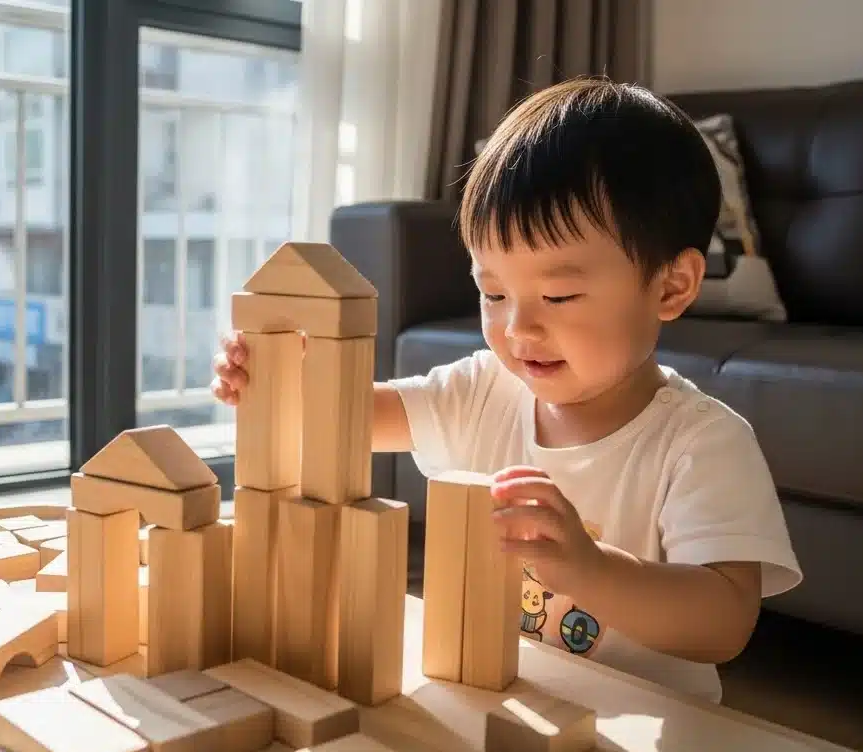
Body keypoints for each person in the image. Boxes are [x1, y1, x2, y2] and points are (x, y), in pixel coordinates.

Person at [210, 77, 801, 703]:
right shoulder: (483, 390)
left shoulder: (701, 443)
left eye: (559, 295)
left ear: (671, 287)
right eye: (494, 293)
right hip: (499, 705)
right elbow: (350, 418)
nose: (519, 328)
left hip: (636, 735)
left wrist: (592, 570)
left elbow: (724, 623)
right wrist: (282, 378)